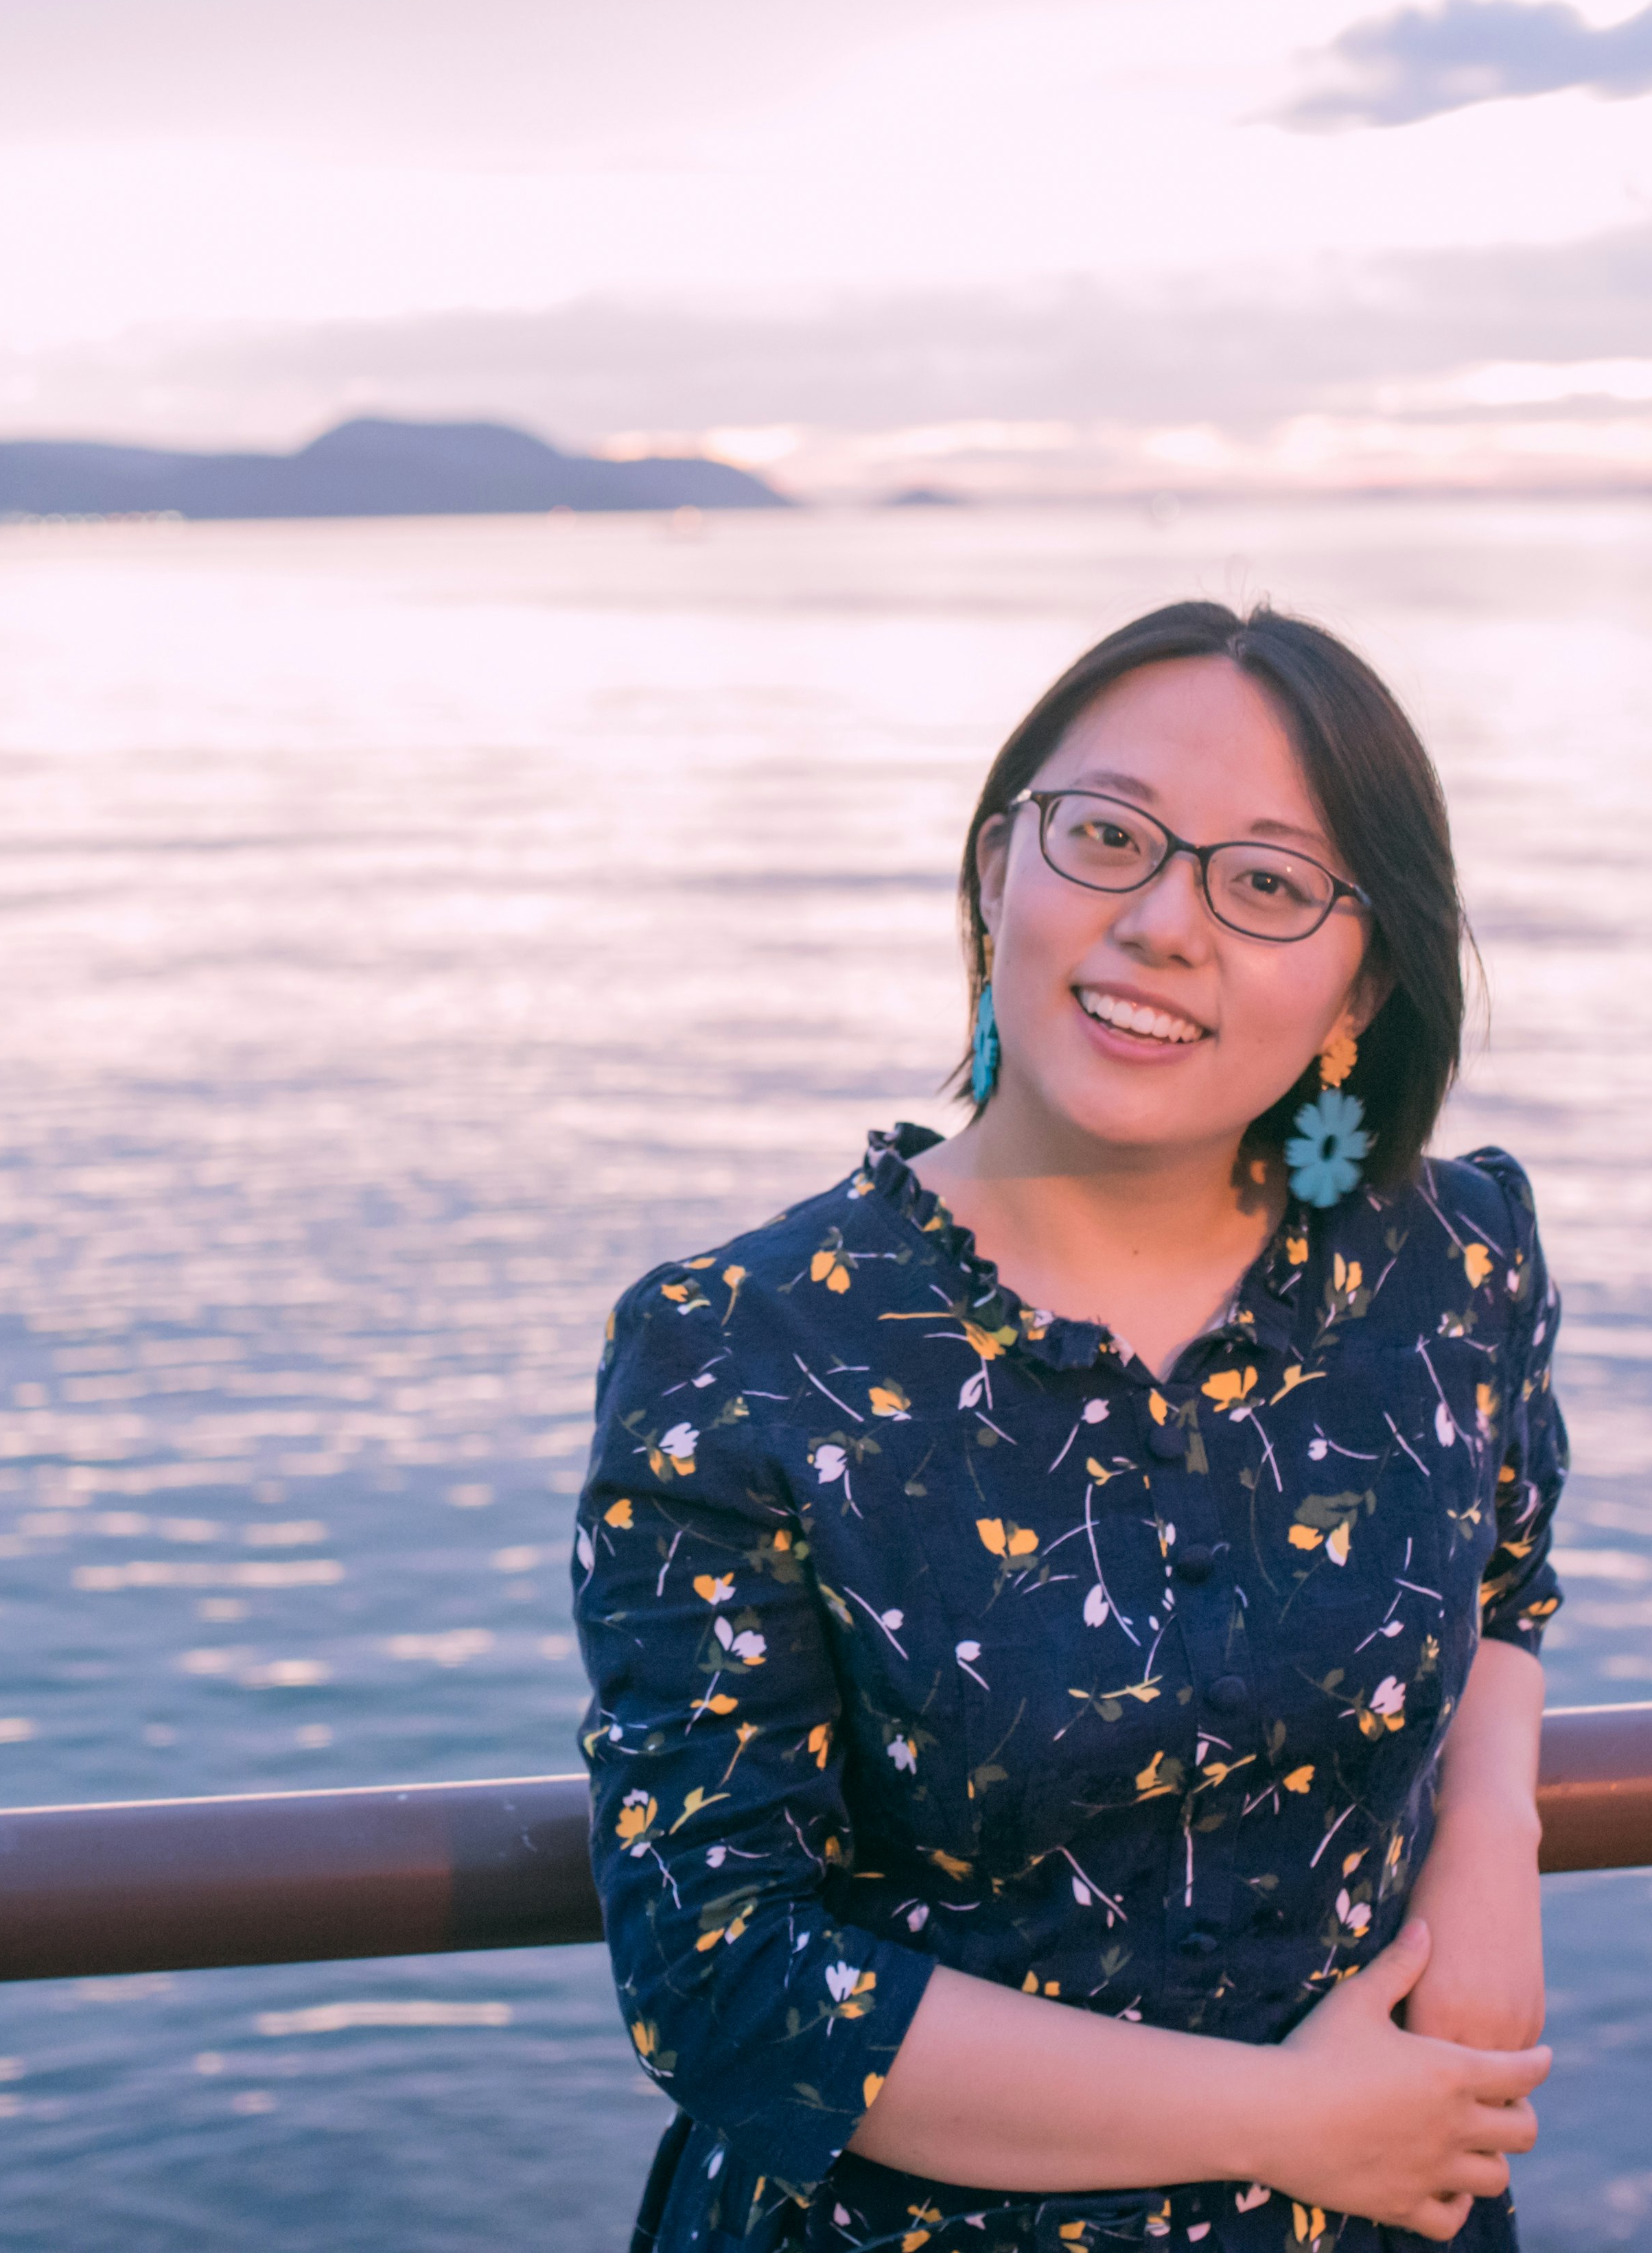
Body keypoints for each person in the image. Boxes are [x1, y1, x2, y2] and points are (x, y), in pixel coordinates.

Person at [572, 600, 1567, 2252]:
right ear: (991, 879)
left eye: (1264, 882)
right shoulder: (740, 1351)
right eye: (1105, 837)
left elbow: (1504, 1574)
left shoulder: (1449, 1262)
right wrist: (1292, 2121)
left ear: (1360, 980)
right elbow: (724, 1973)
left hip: (1392, 2206)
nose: (1164, 922)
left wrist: (1491, 1846)